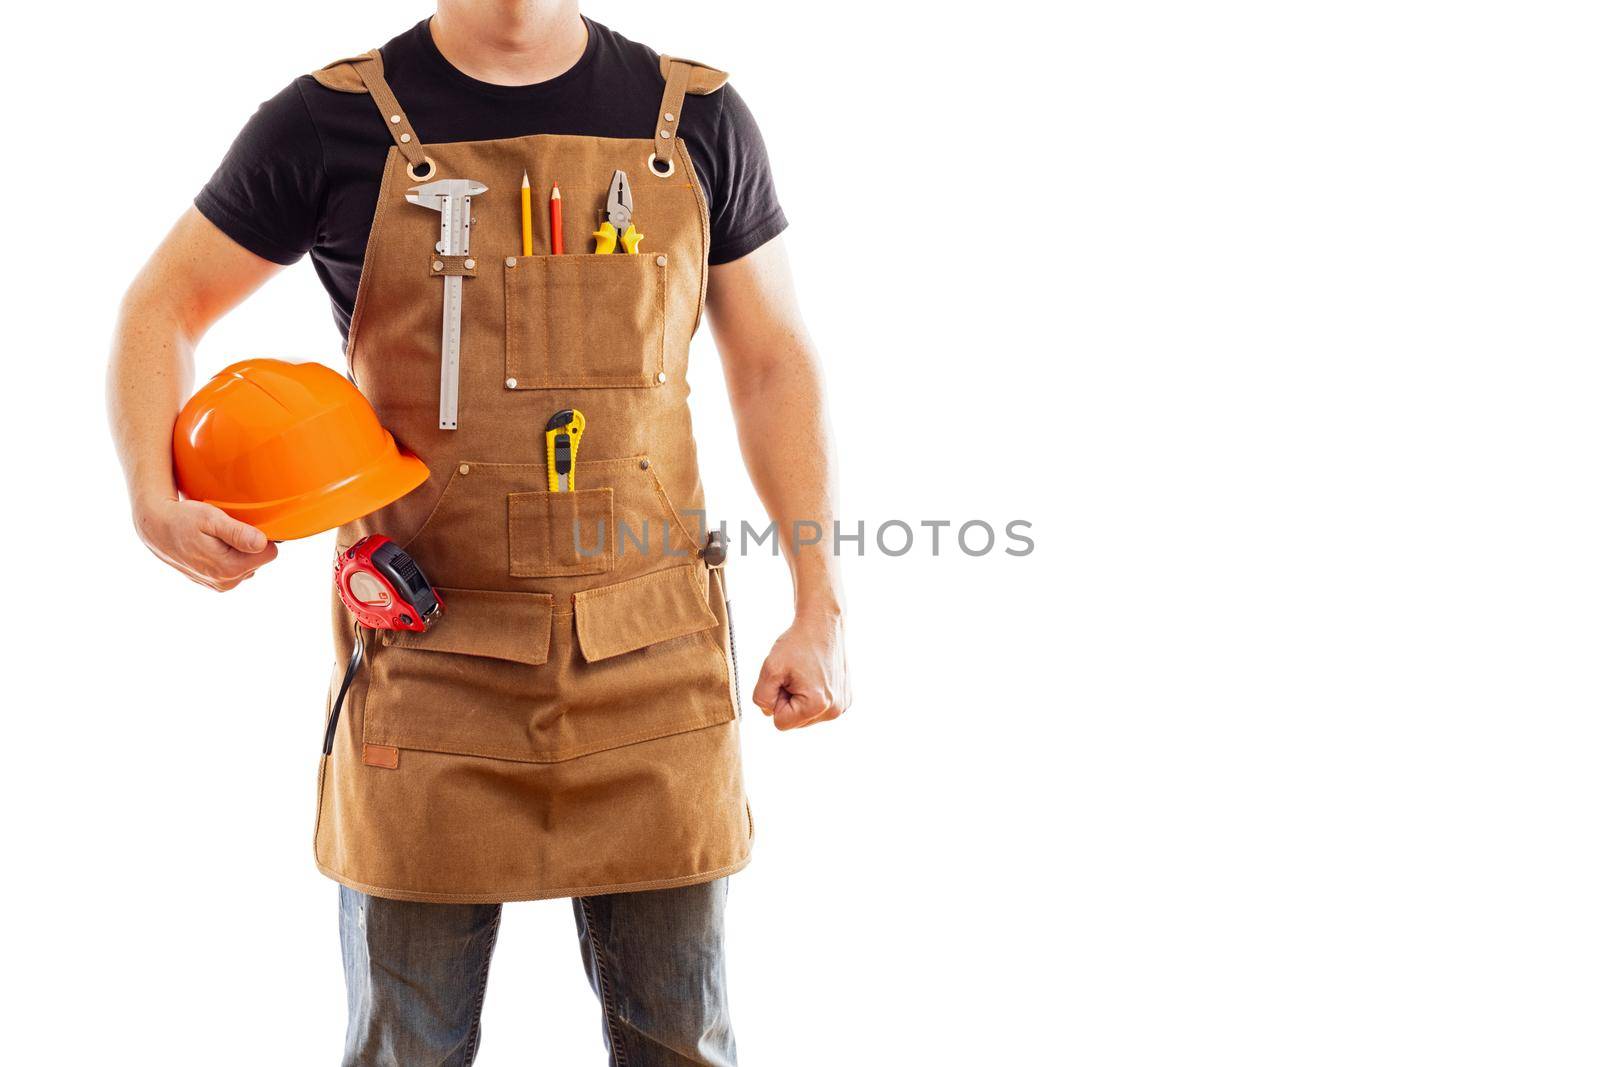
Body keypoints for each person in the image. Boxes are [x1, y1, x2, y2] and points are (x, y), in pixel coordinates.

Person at [106, 4, 850, 1064]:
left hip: (654, 666)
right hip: (426, 663)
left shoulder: (697, 119)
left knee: (682, 1042)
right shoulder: (332, 119)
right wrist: (150, 491)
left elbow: (774, 360)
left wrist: (819, 603)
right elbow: (160, 306)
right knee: (404, 1046)